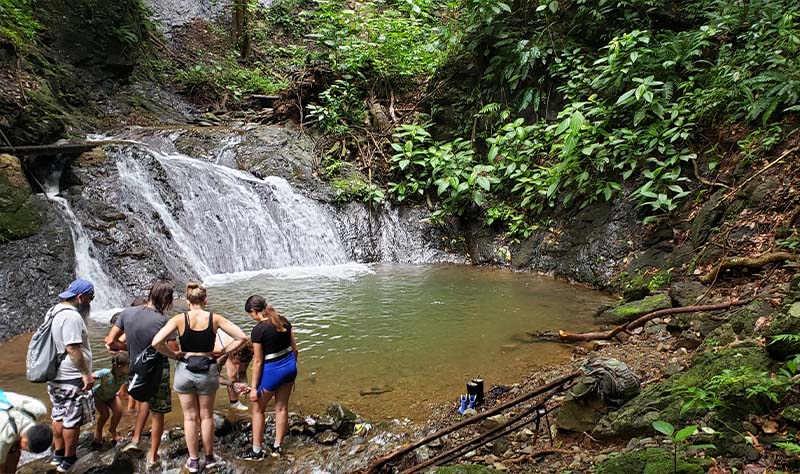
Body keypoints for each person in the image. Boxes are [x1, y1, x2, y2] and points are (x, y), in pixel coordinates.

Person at [152, 282, 246, 473]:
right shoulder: (215, 318)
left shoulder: (179, 319)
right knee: (206, 416)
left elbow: (156, 342)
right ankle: (210, 458)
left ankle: (193, 461)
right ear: (205, 300)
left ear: (188, 301)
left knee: (189, 417)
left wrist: (173, 355)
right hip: (207, 369)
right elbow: (242, 337)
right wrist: (222, 351)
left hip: (185, 369)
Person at [104, 281, 177, 469]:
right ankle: (152, 456)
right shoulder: (164, 322)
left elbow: (111, 341)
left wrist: (129, 348)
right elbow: (174, 349)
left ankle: (135, 439)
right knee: (158, 413)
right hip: (158, 370)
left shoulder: (126, 313)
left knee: (142, 398)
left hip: (134, 367)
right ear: (166, 300)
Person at [239, 295, 298, 460]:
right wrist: (292, 369)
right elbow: (295, 349)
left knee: (258, 409)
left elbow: (258, 361)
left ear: (254, 311)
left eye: (250, 314)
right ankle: (277, 448)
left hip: (273, 371)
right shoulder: (283, 320)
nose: (251, 317)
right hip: (290, 366)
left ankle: (256, 451)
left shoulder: (258, 330)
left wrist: (253, 388)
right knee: (282, 408)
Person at [47, 279, 95, 473]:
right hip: (71, 376)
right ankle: (68, 458)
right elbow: (73, 349)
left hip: (55, 374)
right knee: (72, 419)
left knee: (58, 413)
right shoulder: (72, 318)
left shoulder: (53, 312)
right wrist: (86, 374)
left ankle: (57, 455)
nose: (91, 303)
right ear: (80, 297)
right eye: (90, 299)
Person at [0, 390, 51, 474]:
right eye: (25, 449)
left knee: (13, 450)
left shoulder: (39, 409)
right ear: (25, 440)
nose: (23, 450)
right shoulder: (4, 437)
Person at [90, 352, 129, 448]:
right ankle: (98, 431)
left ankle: (112, 429)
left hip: (112, 396)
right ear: (119, 366)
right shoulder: (106, 373)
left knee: (118, 412)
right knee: (105, 415)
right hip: (99, 396)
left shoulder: (126, 374)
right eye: (128, 365)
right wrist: (91, 377)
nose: (130, 367)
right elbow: (92, 375)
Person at [215, 331, 253, 410]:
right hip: (217, 340)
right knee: (232, 373)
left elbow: (242, 373)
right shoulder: (222, 354)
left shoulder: (248, 350)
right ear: (233, 355)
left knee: (234, 372)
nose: (238, 365)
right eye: (237, 362)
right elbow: (212, 376)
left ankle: (234, 403)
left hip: (231, 342)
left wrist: (244, 384)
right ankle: (234, 402)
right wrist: (232, 384)